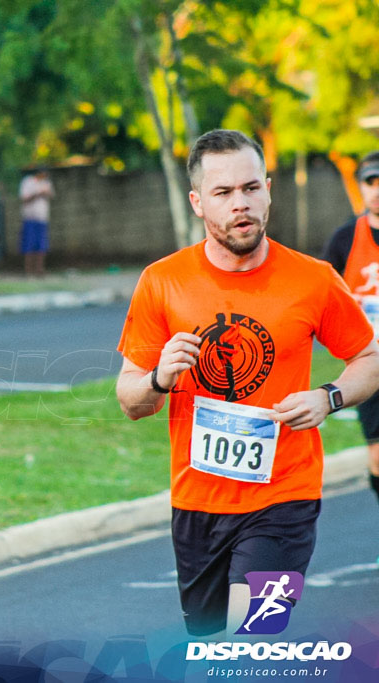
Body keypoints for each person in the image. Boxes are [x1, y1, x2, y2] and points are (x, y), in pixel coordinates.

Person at [116, 129, 379, 637]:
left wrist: (329, 397)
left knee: (255, 636)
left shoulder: (313, 279)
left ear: (268, 189)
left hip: (285, 495)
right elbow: (131, 402)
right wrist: (158, 377)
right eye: (224, 193)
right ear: (197, 202)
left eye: (251, 188)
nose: (242, 204)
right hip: (198, 502)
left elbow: (368, 357)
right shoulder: (162, 282)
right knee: (212, 648)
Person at [322, 152, 379, 556]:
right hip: (369, 364)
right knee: (378, 456)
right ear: (361, 187)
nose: (377, 191)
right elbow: (323, 295)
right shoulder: (345, 239)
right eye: (371, 182)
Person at [19, 168, 54, 277]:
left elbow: (51, 195)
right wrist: (38, 193)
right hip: (30, 218)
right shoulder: (28, 182)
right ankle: (28, 271)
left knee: (42, 245)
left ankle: (40, 270)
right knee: (29, 245)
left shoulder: (46, 183)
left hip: (42, 218)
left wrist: (46, 192)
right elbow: (24, 198)